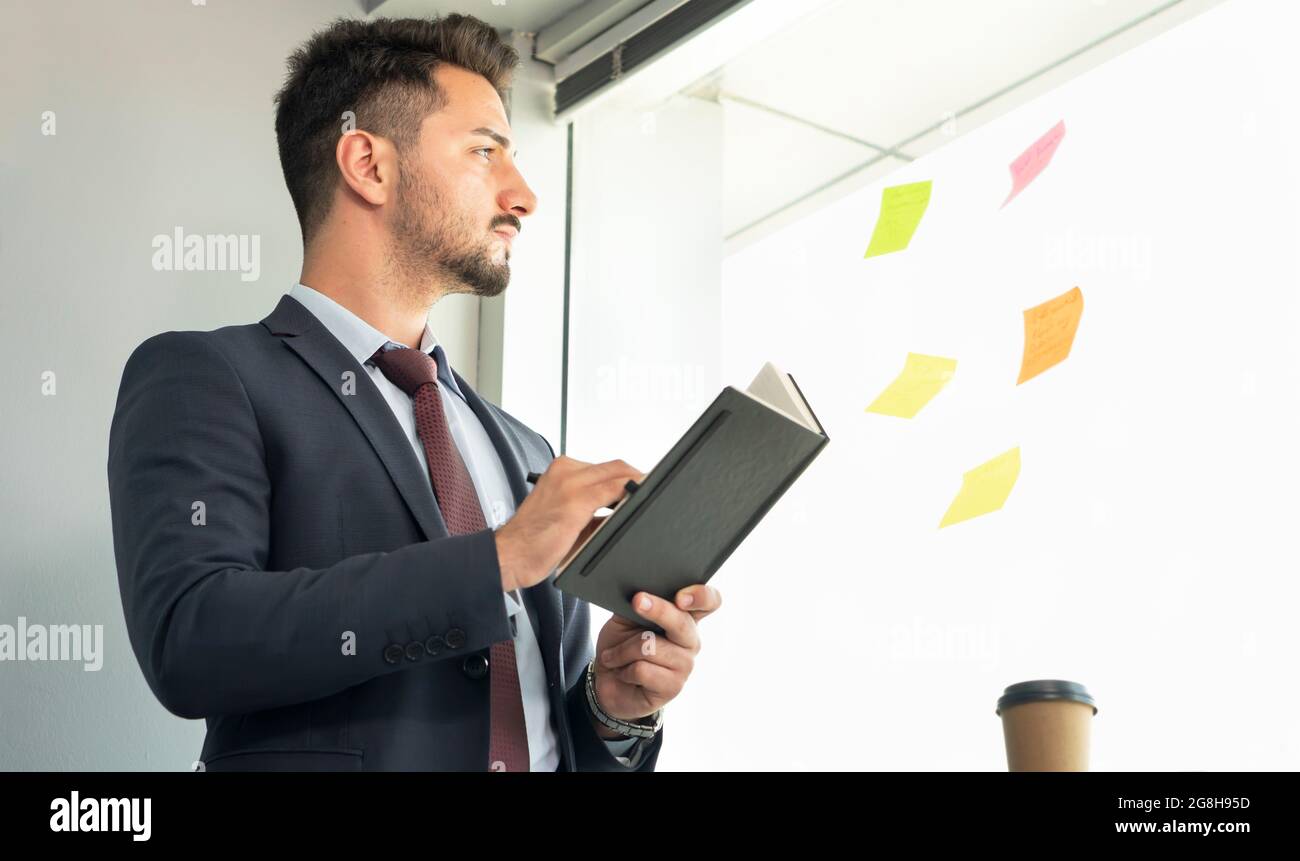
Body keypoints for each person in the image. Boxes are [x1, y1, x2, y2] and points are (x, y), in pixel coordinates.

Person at [107, 13, 720, 772]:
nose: (524, 195)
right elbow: (190, 639)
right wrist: (494, 560)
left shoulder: (525, 447)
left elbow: (545, 726)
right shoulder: (206, 377)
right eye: (485, 151)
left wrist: (612, 705)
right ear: (368, 164)